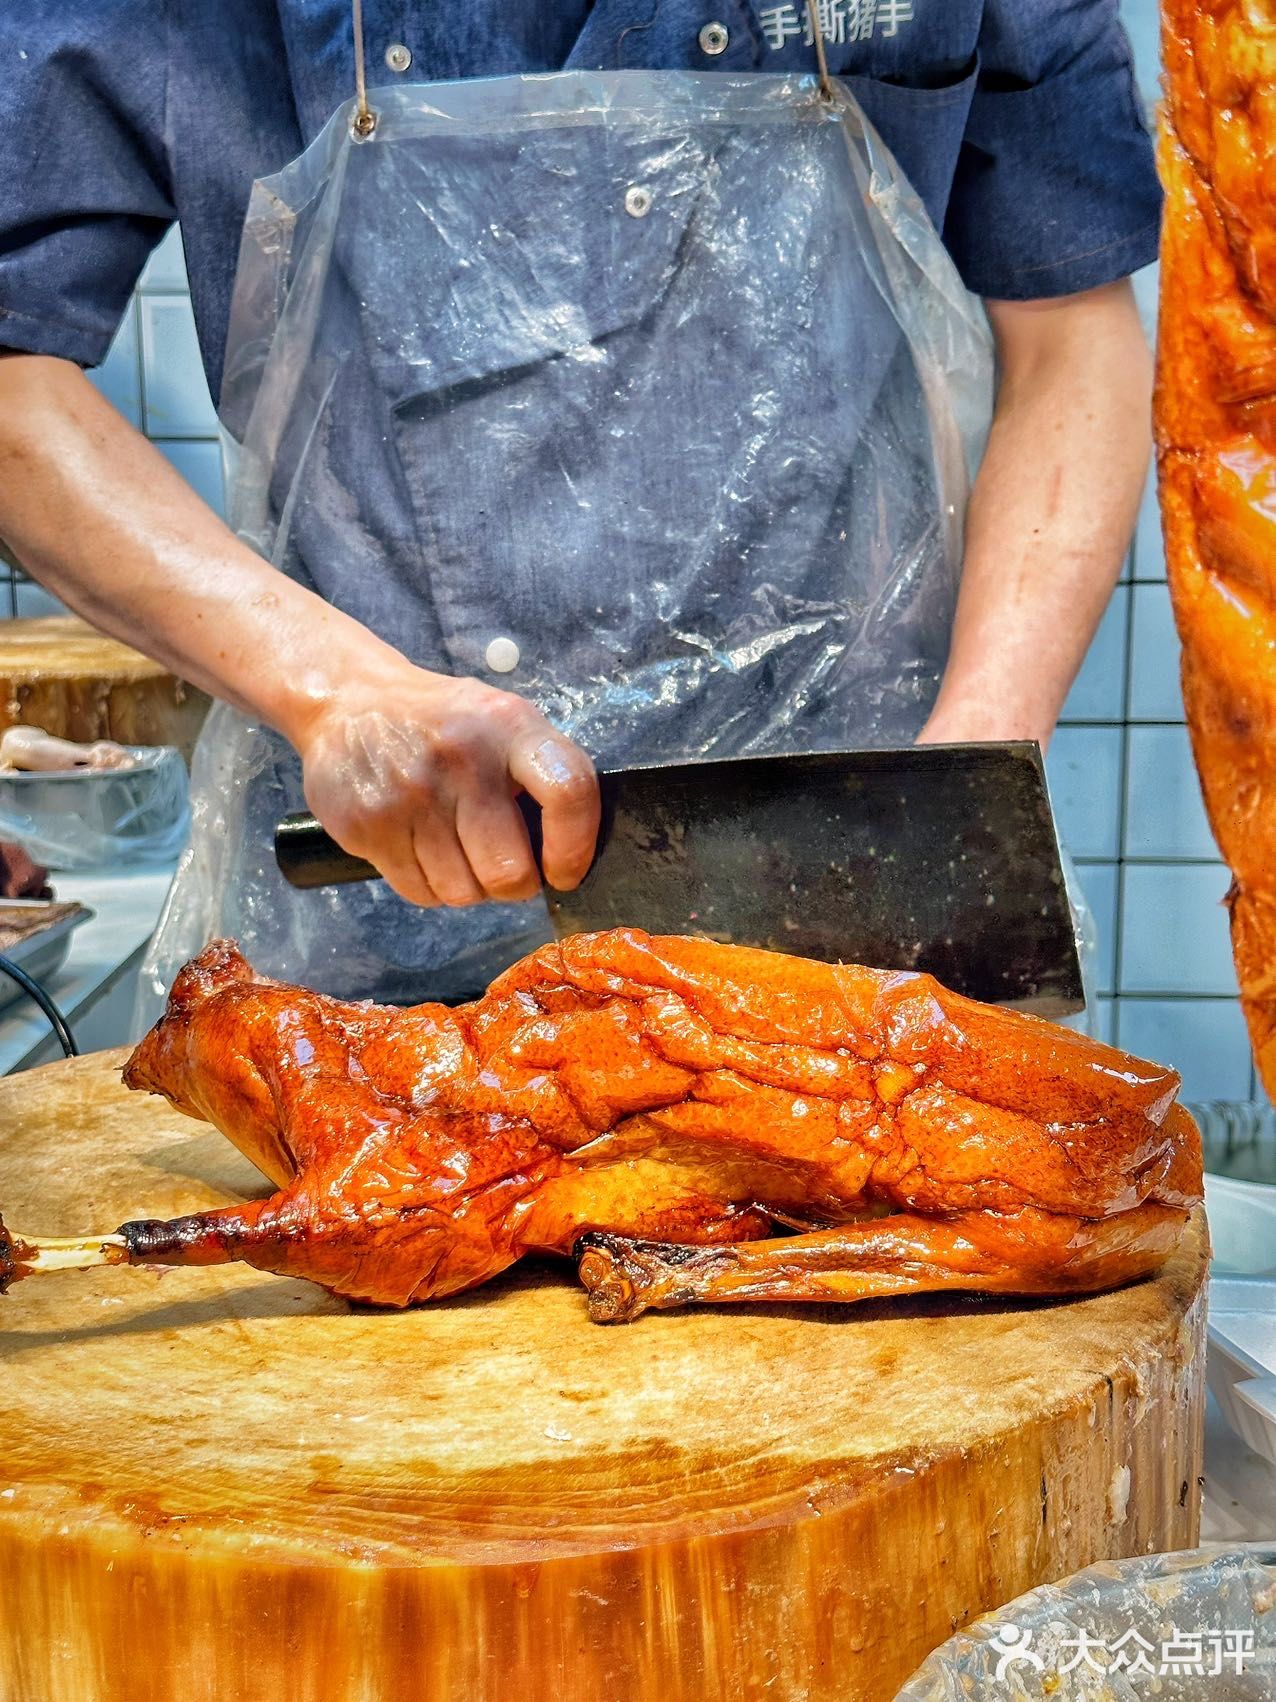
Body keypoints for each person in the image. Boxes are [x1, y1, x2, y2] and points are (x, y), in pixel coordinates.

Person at [0, 1, 1157, 1002]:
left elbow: (1071, 327)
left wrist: (966, 769)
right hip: (379, 931)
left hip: (862, 915)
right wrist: (334, 691)